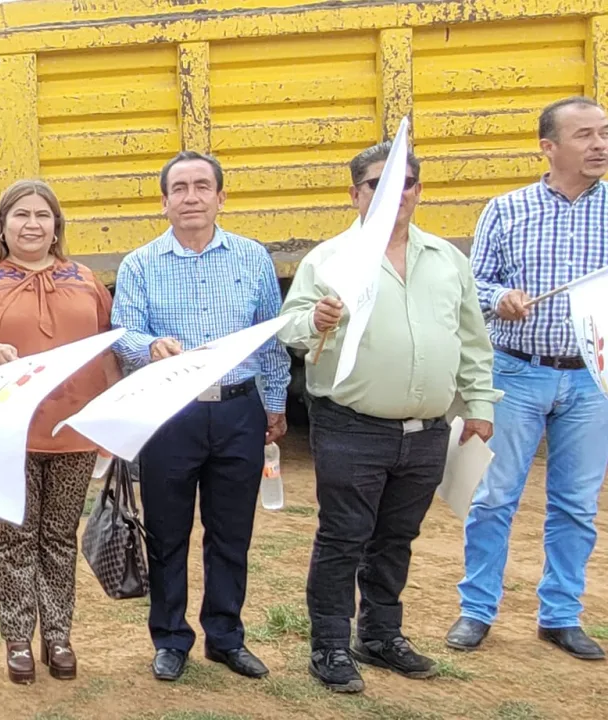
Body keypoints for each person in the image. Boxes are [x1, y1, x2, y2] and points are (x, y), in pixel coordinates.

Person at [279, 143, 500, 692]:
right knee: (343, 536)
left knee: (397, 537)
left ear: (418, 192)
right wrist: (316, 319)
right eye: (377, 183)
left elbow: (472, 339)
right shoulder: (328, 260)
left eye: (405, 182)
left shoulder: (448, 260)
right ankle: (330, 645)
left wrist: (478, 403)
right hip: (353, 425)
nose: (392, 193)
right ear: (355, 194)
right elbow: (290, 328)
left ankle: (379, 634)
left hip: (426, 432)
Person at [111, 151, 290, 683]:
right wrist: (150, 346)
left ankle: (226, 636)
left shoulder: (252, 258)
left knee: (231, 530)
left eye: (202, 187)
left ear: (220, 197)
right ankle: (170, 638)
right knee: (168, 531)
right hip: (169, 414)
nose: (191, 197)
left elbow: (271, 338)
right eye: (180, 188)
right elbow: (124, 334)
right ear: (164, 201)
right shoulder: (140, 264)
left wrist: (275, 402)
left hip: (238, 408)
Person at [0, 179, 120, 685]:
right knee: (16, 537)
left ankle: (58, 635)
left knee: (60, 536)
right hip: (8, 431)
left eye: (43, 215)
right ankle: (18, 639)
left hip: (73, 430)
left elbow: (107, 352)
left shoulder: (84, 279)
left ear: (56, 225)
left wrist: (110, 417)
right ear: (3, 225)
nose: (32, 225)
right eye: (21, 215)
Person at [452, 96, 608, 661]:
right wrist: (501, 299)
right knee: (493, 497)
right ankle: (476, 610)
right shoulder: (506, 209)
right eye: (585, 135)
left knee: (576, 503)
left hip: (592, 380)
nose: (599, 145)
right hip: (516, 371)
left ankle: (561, 615)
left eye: (604, 134)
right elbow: (473, 288)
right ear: (549, 147)